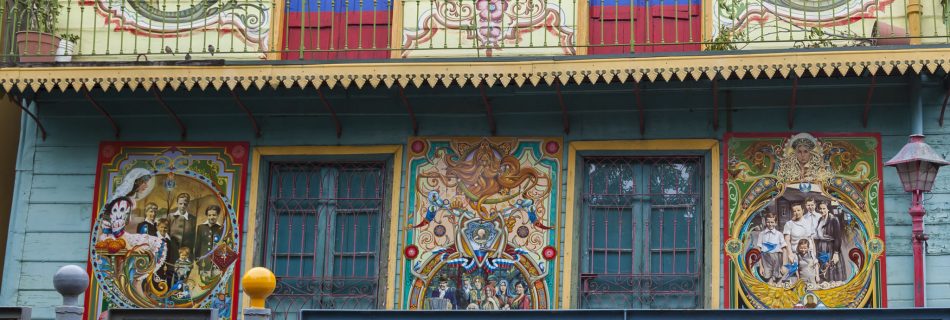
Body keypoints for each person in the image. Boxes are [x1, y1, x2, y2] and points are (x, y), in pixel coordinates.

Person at [815, 201, 846, 283]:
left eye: (824, 208)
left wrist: (836, 253)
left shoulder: (833, 219)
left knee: (833, 269)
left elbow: (838, 237)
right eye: (820, 209)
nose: (822, 210)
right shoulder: (820, 219)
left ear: (828, 209)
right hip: (821, 247)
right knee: (823, 269)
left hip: (831, 247)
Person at [755, 212, 787, 284]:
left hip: (777, 258)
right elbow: (758, 250)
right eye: (768, 222)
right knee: (769, 280)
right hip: (766, 259)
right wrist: (761, 266)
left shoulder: (779, 234)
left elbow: (784, 249)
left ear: (775, 223)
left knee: (778, 279)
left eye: (772, 222)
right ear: (765, 222)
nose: (770, 224)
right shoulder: (762, 234)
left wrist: (784, 265)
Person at [195, 205, 224, 275]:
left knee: (216, 281)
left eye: (214, 215)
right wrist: (197, 259)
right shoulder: (201, 227)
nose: (211, 217)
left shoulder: (221, 229)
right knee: (205, 281)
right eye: (209, 215)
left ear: (218, 215)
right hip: (204, 262)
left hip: (217, 263)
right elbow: (198, 244)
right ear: (207, 216)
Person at [154, 218, 178, 286]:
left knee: (164, 284)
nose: (163, 229)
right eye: (161, 227)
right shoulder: (154, 238)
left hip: (165, 267)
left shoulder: (168, 241)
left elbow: (170, 255)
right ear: (157, 227)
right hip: (155, 267)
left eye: (165, 228)